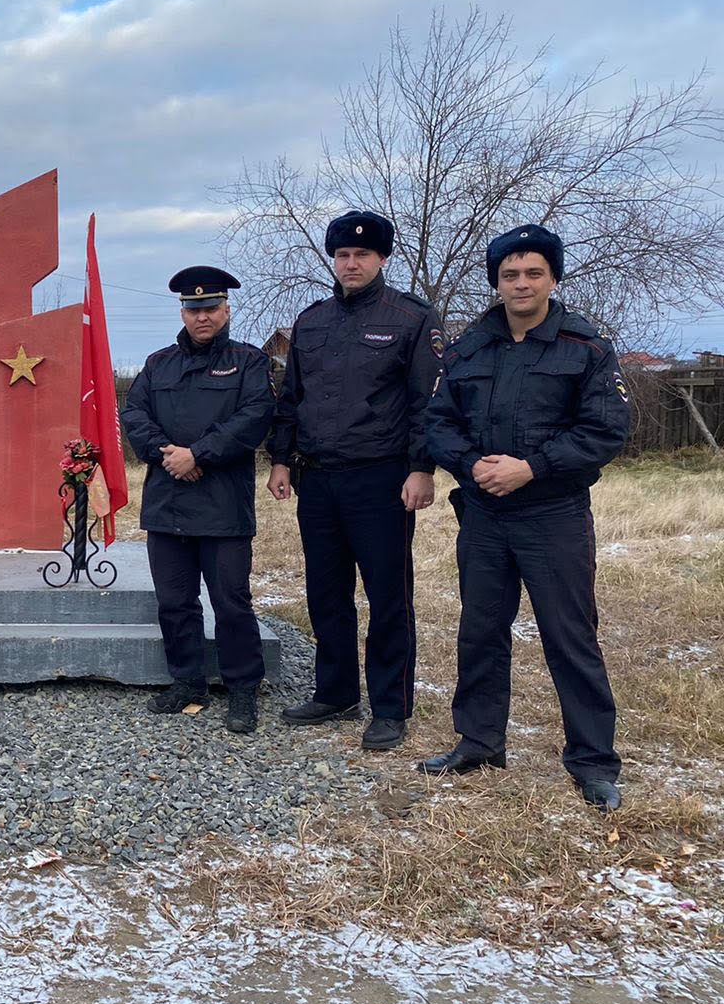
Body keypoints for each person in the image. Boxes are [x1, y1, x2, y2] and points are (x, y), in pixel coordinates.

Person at [420, 225, 629, 811]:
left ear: (552, 278)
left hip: (553, 515)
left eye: (533, 273)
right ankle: (479, 740)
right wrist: (471, 464)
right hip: (484, 515)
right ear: (496, 282)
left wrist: (531, 468)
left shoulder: (584, 348)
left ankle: (592, 762)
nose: (521, 283)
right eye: (510, 274)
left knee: (570, 636)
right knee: (481, 630)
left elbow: (605, 431)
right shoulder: (467, 349)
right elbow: (438, 421)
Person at [266, 211, 444, 751]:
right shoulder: (312, 321)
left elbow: (428, 402)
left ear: (383, 258)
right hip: (317, 479)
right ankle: (336, 691)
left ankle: (390, 706)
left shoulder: (411, 318)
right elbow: (291, 397)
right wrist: (280, 458)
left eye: (362, 255)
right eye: (342, 255)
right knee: (326, 592)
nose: (351, 263)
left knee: (388, 594)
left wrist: (422, 467)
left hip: (382, 478)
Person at [123, 266, 276, 733]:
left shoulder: (249, 362)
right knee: (174, 602)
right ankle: (187, 682)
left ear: (226, 310)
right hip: (167, 504)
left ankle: (242, 690)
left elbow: (255, 417)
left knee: (231, 602)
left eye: (210, 307)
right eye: (193, 309)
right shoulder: (157, 364)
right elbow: (134, 413)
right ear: (183, 313)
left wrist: (198, 454)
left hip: (222, 505)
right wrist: (168, 454)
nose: (201, 316)